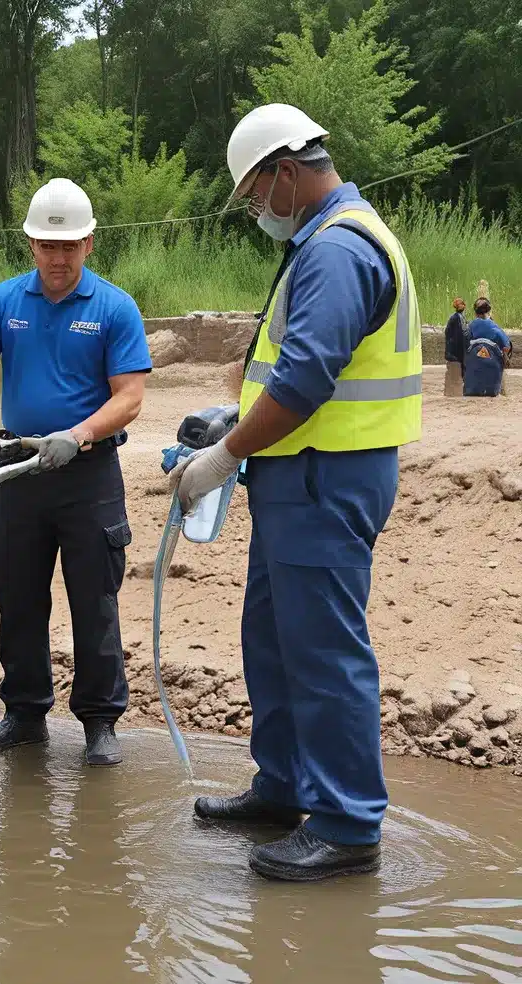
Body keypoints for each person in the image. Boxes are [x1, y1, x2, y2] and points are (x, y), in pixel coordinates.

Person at [171, 104, 422, 881]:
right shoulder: (323, 239)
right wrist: (234, 417)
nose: (255, 211)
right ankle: (283, 789)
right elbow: (290, 370)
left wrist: (225, 454)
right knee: (274, 640)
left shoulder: (339, 250)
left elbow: (309, 379)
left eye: (253, 195)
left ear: (287, 173)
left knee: (322, 653)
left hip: (325, 475)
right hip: (301, 474)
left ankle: (347, 825)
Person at [0, 177, 152, 767]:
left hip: (88, 475)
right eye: (46, 245)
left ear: (90, 243)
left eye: (68, 246)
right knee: (19, 596)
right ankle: (25, 714)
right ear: (30, 245)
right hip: (18, 474)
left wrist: (79, 434)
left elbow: (130, 396)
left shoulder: (114, 307)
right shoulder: (4, 302)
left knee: (95, 601)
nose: (57, 258)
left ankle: (99, 723)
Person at [464, 291, 512, 397]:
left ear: (475, 313)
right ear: (489, 311)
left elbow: (463, 343)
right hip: (492, 368)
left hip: (473, 369)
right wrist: (505, 357)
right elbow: (506, 346)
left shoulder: (470, 326)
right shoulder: (495, 327)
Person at [443, 297, 469, 397]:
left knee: (454, 374)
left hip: (455, 352)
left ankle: (452, 393)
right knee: (455, 374)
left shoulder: (458, 318)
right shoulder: (457, 318)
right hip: (456, 353)